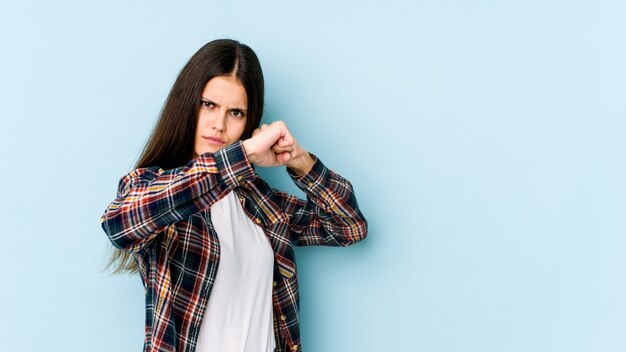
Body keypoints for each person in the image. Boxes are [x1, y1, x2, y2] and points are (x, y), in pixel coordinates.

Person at [100, 38, 368, 352]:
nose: (219, 124)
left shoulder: (258, 201)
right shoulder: (156, 188)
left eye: (236, 113)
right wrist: (241, 156)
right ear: (187, 103)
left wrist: (297, 159)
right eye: (208, 104)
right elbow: (119, 223)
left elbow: (348, 227)